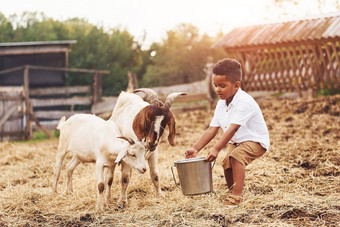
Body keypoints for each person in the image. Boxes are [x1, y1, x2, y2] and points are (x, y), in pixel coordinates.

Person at [185, 58, 270, 207]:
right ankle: (232, 190)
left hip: (256, 140)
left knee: (236, 156)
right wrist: (196, 148)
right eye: (215, 85)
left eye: (222, 86)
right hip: (237, 141)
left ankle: (237, 196)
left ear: (236, 85)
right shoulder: (221, 104)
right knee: (226, 161)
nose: (217, 89)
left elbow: (232, 129)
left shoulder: (245, 102)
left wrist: (216, 148)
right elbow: (212, 129)